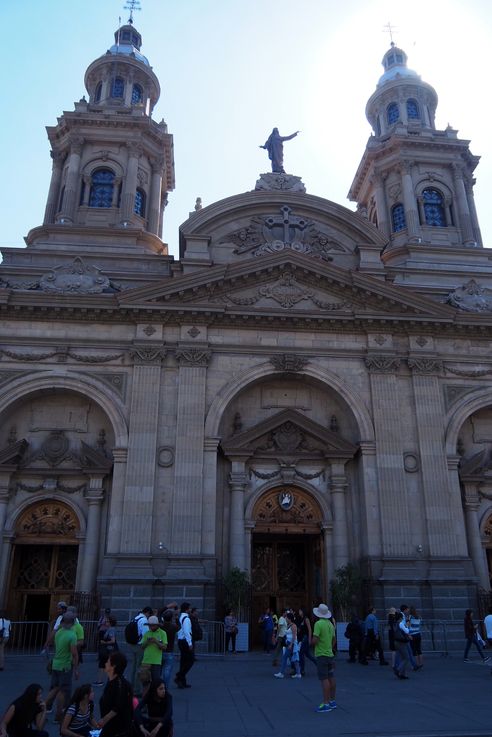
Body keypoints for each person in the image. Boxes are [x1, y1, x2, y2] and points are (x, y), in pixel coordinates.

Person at [45, 612, 79, 722]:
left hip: (56, 663)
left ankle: (42, 706)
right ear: (73, 623)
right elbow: (74, 653)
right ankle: (59, 715)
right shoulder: (72, 635)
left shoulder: (59, 632)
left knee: (55, 688)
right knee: (62, 691)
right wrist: (76, 669)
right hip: (65, 665)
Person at [98, 652, 133, 737]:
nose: (105, 663)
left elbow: (118, 707)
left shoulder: (121, 685)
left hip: (117, 730)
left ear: (113, 666)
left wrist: (103, 720)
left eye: (108, 662)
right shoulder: (110, 681)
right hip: (109, 727)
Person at [311, 603, 336, 713]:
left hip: (321, 655)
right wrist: (329, 646)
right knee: (331, 677)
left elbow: (315, 639)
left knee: (324, 679)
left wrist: (311, 643)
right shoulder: (330, 624)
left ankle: (325, 703)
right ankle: (332, 701)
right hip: (330, 654)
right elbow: (334, 639)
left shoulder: (318, 624)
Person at [129, 606, 153, 698]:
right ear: (147, 612)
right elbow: (146, 634)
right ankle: (136, 690)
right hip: (140, 646)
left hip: (133, 645)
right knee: (139, 668)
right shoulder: (143, 620)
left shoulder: (136, 618)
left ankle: (132, 687)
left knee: (134, 667)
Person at [274, 611, 301, 678]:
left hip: (291, 644)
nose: (285, 619)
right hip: (288, 643)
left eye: (286, 618)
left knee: (285, 658)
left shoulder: (293, 626)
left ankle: (282, 673)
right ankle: (298, 673)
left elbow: (294, 636)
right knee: (294, 659)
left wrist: (291, 644)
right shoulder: (289, 625)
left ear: (289, 618)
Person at [141, 616, 167, 682]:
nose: (150, 627)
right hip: (146, 661)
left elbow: (164, 647)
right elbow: (142, 647)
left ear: (157, 625)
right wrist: (147, 642)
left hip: (156, 661)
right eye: (149, 625)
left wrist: (156, 642)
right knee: (145, 681)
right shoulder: (147, 633)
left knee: (156, 681)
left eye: (152, 625)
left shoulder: (163, 633)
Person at [175, 602, 194, 689]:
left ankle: (182, 680)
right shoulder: (186, 619)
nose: (190, 610)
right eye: (190, 608)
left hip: (181, 640)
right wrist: (190, 643)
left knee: (184, 662)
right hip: (185, 641)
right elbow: (187, 632)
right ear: (187, 609)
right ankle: (179, 677)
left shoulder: (180, 617)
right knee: (190, 661)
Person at [95, 615, 118, 686]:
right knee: (104, 664)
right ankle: (101, 680)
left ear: (111, 622)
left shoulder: (111, 629)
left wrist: (104, 642)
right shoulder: (109, 629)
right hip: (108, 650)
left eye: (107, 621)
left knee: (107, 664)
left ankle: (108, 680)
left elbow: (113, 640)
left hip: (109, 649)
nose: (106, 622)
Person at [160, 611, 178, 689]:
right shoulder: (173, 627)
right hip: (169, 651)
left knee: (158, 671)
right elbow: (179, 627)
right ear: (171, 618)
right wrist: (177, 618)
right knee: (167, 671)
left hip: (160, 651)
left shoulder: (160, 626)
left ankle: (158, 686)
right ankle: (165, 687)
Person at [296, 607, 317, 675]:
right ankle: (318, 664)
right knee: (307, 654)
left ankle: (302, 670)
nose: (299, 612)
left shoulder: (306, 619)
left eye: (300, 610)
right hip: (302, 638)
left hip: (305, 638)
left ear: (303, 611)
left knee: (301, 653)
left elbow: (309, 629)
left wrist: (309, 639)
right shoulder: (300, 619)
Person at [392, 611, 411, 679]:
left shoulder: (395, 623)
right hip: (401, 642)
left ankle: (403, 674)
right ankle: (398, 670)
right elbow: (407, 631)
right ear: (400, 618)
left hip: (396, 641)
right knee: (406, 658)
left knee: (403, 658)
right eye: (402, 617)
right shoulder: (400, 624)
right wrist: (408, 626)